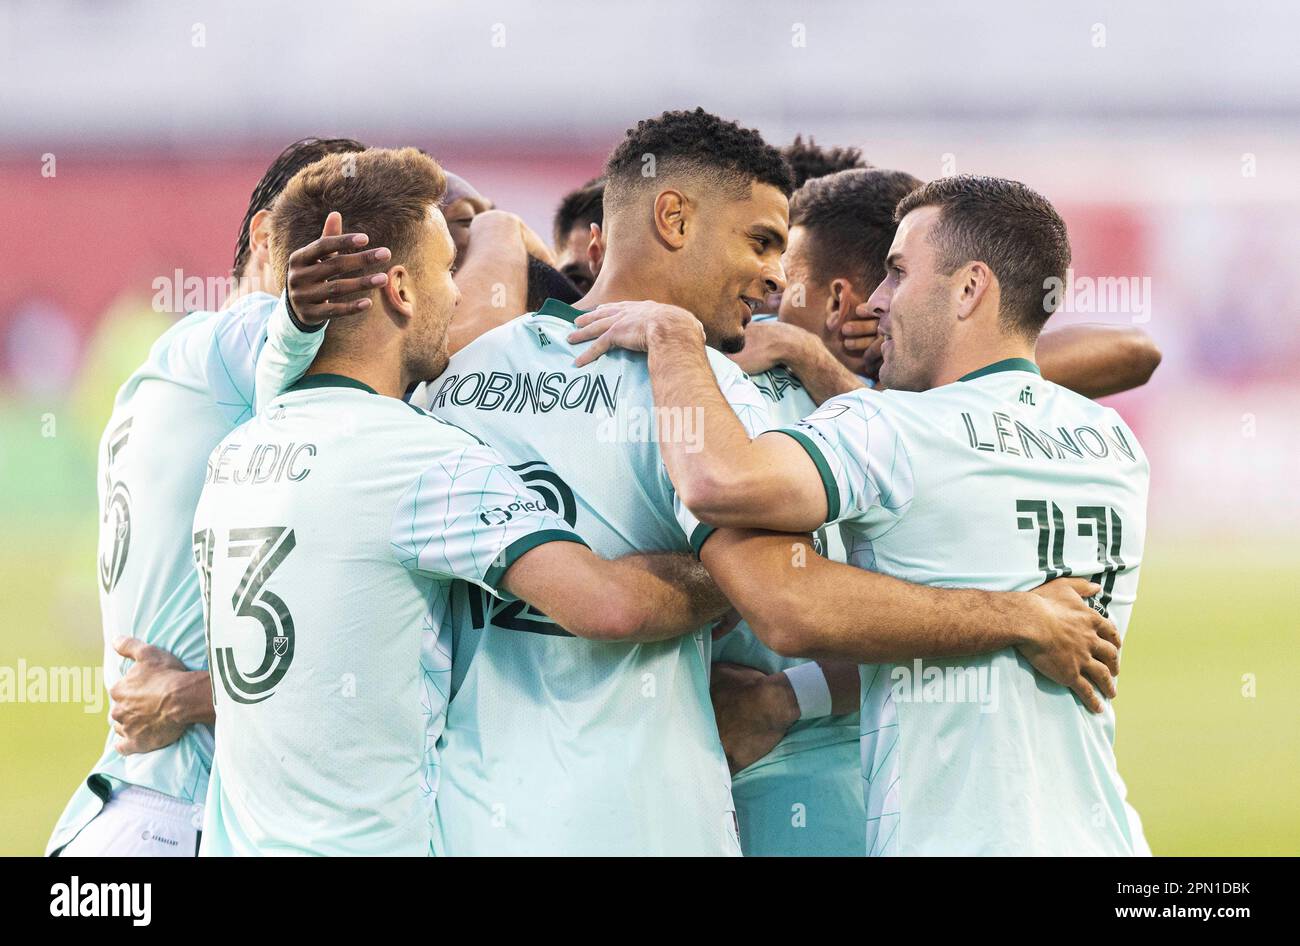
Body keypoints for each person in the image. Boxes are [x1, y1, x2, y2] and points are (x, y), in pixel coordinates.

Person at [258, 110, 1119, 857]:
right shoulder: (717, 399)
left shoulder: (455, 376)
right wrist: (1013, 615)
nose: (777, 277)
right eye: (760, 241)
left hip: (478, 815)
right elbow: (793, 600)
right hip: (654, 818)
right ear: (672, 217)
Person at [569, 174, 1150, 855]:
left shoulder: (892, 426)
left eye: (899, 274)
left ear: (969, 289)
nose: (878, 301)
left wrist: (673, 339)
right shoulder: (1112, 443)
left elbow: (722, 485)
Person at [197, 147, 726, 856]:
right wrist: (737, 574)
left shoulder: (238, 450)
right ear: (402, 290)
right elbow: (610, 605)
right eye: (448, 269)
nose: (456, 294)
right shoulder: (421, 457)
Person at [46, 137, 367, 858]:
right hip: (186, 817)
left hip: (130, 810)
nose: (362, 282)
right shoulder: (229, 342)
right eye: (343, 250)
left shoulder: (177, 375)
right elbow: (284, 330)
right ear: (267, 237)